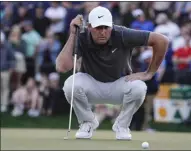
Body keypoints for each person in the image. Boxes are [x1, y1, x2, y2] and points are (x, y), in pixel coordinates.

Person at [56, 6, 169, 140]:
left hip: (119, 85)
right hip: (91, 86)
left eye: (106, 27)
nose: (103, 32)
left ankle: (122, 126)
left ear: (112, 26)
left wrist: (149, 73)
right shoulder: (82, 36)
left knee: (139, 87)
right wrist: (73, 34)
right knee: (70, 85)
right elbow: (62, 67)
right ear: (89, 27)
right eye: (98, 28)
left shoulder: (122, 34)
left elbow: (162, 41)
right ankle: (87, 122)